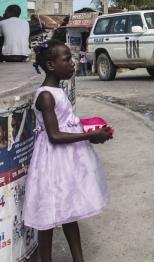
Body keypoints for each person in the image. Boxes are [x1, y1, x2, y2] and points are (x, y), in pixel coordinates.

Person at [23, 39, 113, 262]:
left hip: (68, 159)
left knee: (69, 210)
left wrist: (91, 128)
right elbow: (54, 135)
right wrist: (90, 135)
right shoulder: (45, 95)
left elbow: (66, 123)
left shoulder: (58, 90)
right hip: (53, 160)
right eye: (66, 60)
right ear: (51, 65)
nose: (73, 64)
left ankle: (78, 259)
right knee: (49, 215)